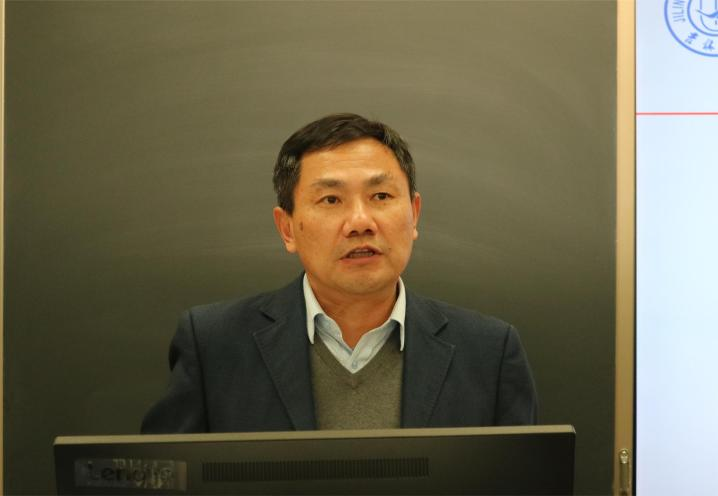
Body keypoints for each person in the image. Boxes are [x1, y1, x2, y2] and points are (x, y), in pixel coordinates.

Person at [141, 113, 537, 433]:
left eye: (380, 196)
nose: (360, 222)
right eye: (331, 199)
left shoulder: (489, 352)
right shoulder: (214, 345)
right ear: (287, 228)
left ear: (414, 214)